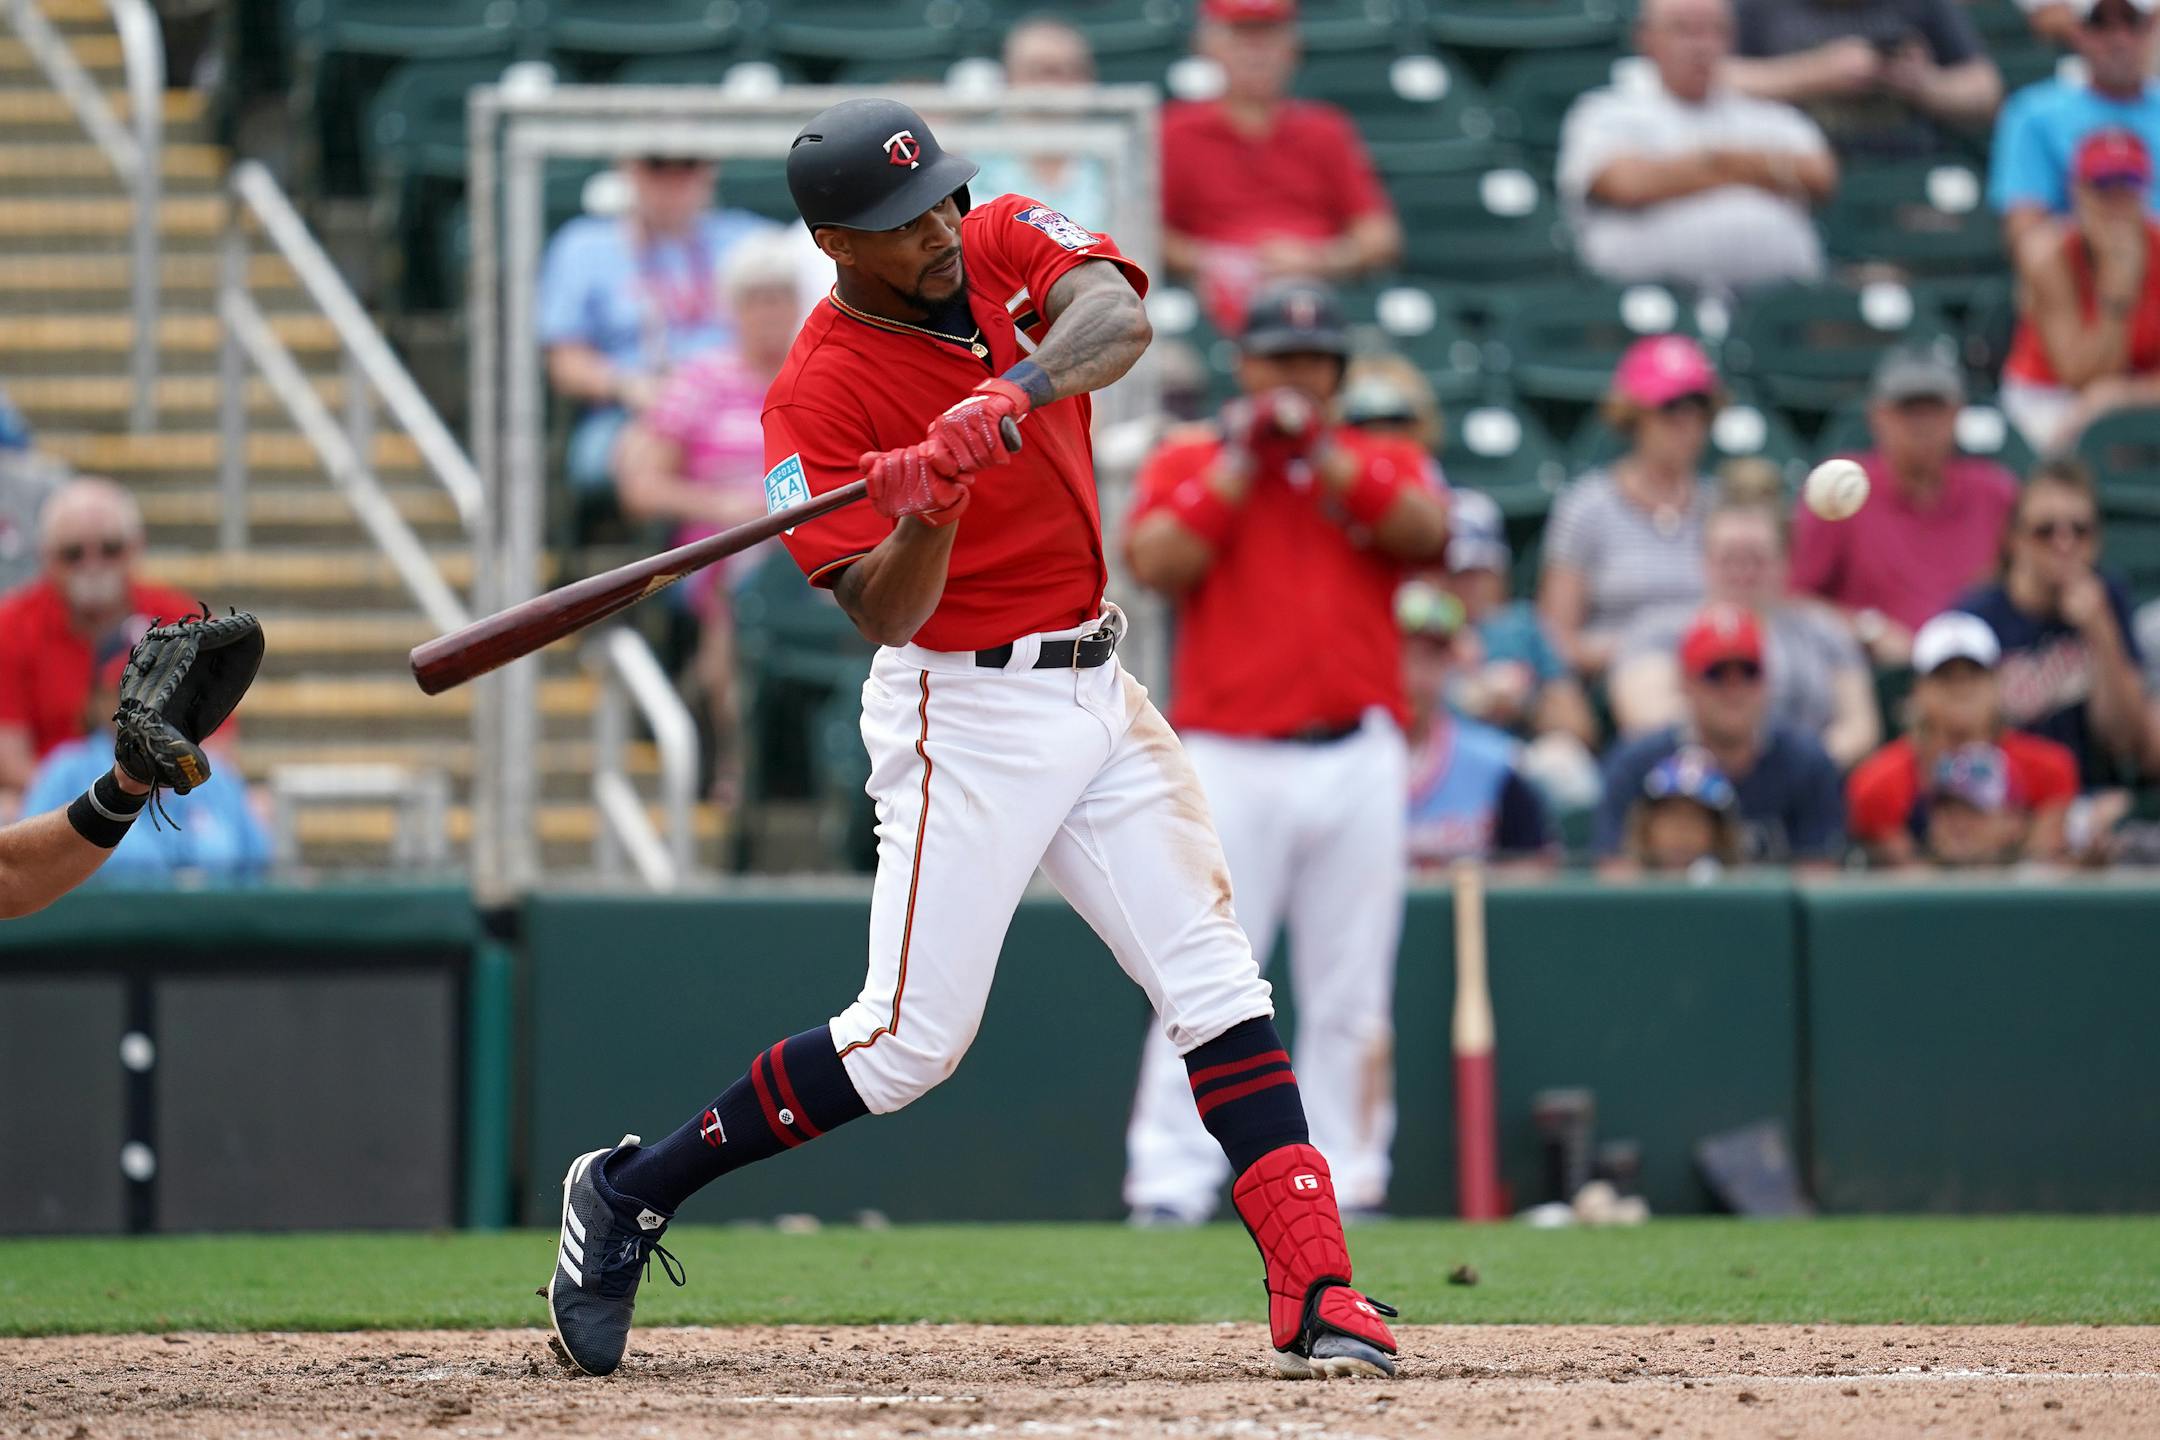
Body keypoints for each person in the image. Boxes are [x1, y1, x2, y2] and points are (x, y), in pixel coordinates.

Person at [543, 99, 1401, 1385]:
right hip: (964, 707)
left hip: (1097, 683)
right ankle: (627, 1191)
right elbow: (887, 612)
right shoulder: (812, 405)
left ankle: (1318, 1286)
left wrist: (1014, 387)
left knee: (1216, 982)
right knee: (902, 1047)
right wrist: (930, 502)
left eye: (939, 196)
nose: (937, 229)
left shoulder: (999, 239)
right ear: (834, 241)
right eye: (899, 223)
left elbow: (1118, 315)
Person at [1117, 278, 1450, 1229]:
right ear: (1246, 366)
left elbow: (1426, 535)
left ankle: (1352, 1175)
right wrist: (1242, 462)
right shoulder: (1196, 458)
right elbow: (1156, 562)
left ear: (1338, 373)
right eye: (1278, 359)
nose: (1294, 377)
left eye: (1312, 361)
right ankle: (1170, 1183)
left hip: (1356, 751)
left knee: (1353, 985)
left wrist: (1324, 455)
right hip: (1231, 755)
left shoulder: (1377, 456)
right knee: (1203, 975)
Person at [614, 232, 805, 803]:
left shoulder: (818, 377)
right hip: (723, 543)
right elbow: (641, 486)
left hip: (810, 536)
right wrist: (722, 506)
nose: (769, 312)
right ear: (733, 308)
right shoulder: (699, 380)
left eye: (779, 297)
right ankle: (735, 760)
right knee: (743, 574)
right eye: (756, 299)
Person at [1556, 0, 1838, 293]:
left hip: (1778, 303)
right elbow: (1626, 184)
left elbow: (1821, 175)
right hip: (1644, 307)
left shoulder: (1767, 112)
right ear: (1645, 37)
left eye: (1713, 30)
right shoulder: (1606, 110)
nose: (1701, 45)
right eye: (1684, 30)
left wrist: (1706, 166)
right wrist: (1764, 170)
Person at [537, 156, 777, 495]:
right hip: (637, 405)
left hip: (739, 398)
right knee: (615, 460)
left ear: (709, 171)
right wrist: (631, 387)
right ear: (628, 169)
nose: (673, 180)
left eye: (688, 165)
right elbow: (565, 361)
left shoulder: (751, 238)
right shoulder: (584, 245)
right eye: (657, 166)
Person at [1, 610, 262, 919]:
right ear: (96, 698)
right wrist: (123, 784)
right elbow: (18, 875)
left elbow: (265, 876)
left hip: (210, 953)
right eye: (125, 686)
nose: (146, 703)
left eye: (163, 684)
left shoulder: (216, 777)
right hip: (94, 953)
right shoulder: (67, 771)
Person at [1160, 0, 1402, 330]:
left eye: (1269, 35)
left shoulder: (1326, 129)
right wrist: (1214, 260)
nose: (1256, 51)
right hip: (1212, 311)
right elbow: (1149, 231)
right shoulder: (1177, 130)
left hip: (1317, 306)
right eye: (1241, 35)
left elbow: (1380, 236)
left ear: (1293, 46)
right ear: (1208, 45)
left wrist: (1320, 260)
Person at [1788, 346, 2019, 663]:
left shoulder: (1994, 492)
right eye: (1908, 409)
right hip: (1877, 675)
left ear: (1956, 414)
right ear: (1877, 415)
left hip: (1976, 674)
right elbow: (1793, 602)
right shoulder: (1841, 489)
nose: (1921, 424)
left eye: (1934, 408)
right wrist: (1867, 630)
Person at [1612, 498, 1881, 768]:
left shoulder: (1823, 630)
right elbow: (1647, 716)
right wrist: (1735, 761)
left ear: (1785, 562)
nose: (1742, 571)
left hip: (1802, 791)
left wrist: (1796, 770)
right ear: (1704, 560)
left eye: (1756, 559)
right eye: (1729, 558)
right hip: (1689, 791)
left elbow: (1859, 727)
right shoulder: (1659, 630)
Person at [1595, 604, 1847, 870]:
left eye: (1748, 672)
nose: (1734, 689)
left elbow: (1819, 878)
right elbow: (1617, 879)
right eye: (1716, 674)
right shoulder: (1637, 764)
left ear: (1767, 681)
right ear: (1685, 682)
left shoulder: (1806, 762)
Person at [0, 478, 198, 816]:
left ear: (137, 546)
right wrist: (99, 807)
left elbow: (216, 749)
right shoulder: (11, 625)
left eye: (110, 548)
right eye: (73, 553)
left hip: (164, 797)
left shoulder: (179, 620)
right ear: (46, 557)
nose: (93, 565)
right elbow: (10, 759)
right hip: (52, 801)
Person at [1957, 459, 2159, 781]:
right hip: (2010, 802)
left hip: (2092, 803)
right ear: (2016, 539)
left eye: (2079, 531)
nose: (2064, 544)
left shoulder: (2108, 597)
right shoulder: (1975, 620)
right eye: (2045, 531)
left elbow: (2124, 740)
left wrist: (2100, 630)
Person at [1539, 334, 1722, 679]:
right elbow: (1557, 638)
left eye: (1698, 407)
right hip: (1615, 683)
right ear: (1634, 416)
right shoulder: (1586, 506)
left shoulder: (1721, 505)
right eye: (1670, 408)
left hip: (1716, 678)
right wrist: (1646, 652)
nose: (1687, 423)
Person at [1846, 610, 2079, 865]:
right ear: (1918, 689)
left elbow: (2041, 870)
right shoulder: (1878, 782)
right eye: (1945, 676)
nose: (1961, 686)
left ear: (1996, 683)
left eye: (1973, 674)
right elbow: (1910, 884)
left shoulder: (2049, 767)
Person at [2002, 129, 2160, 452]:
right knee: (2065, 447)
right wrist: (2117, 294)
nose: (2116, 200)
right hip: (2050, 392)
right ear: (2078, 192)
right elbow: (2076, 373)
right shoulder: (2048, 254)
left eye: (2128, 184)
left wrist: (2121, 395)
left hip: (2136, 390)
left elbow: (2104, 393)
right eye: (2103, 185)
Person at [1397, 581, 1555, 871]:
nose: (1411, 676)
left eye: (1429, 658)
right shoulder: (1335, 764)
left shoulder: (1497, 764)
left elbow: (1535, 876)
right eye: (1399, 655)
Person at [1726, 0, 2003, 159]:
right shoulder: (1760, 7)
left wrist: (1922, 83)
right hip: (1800, 173)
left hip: (1909, 171)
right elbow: (1718, 79)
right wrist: (1815, 73)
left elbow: (1986, 89)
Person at [1990, 0, 2160, 253]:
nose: (2118, 39)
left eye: (2131, 23)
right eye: (2100, 24)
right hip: (2078, 278)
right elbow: (2026, 236)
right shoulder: (2033, 113)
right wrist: (2102, 229)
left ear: (2149, 29)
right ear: (2078, 32)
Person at [972, 16, 1111, 228]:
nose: (1049, 86)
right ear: (1009, 77)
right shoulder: (975, 154)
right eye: (1036, 71)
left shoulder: (1111, 154)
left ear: (1087, 78)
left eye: (1063, 72)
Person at [1621, 745, 1744, 872]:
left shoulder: (1738, 886)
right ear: (1646, 825)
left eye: (1696, 819)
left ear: (1719, 834)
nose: (1682, 831)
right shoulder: (1623, 885)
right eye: (1670, 816)